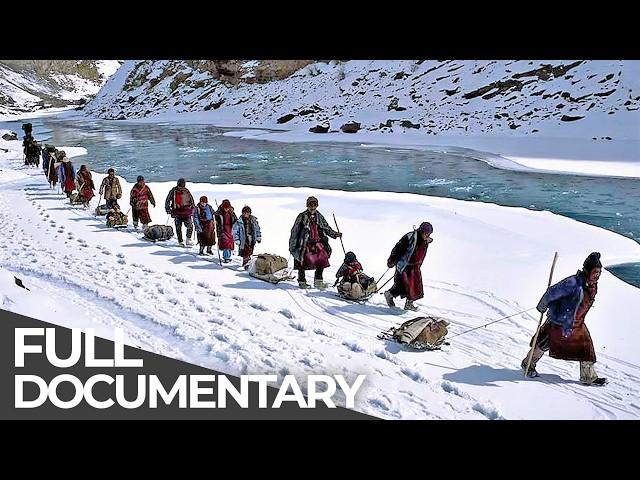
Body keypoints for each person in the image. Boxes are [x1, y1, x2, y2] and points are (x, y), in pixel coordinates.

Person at [521, 252, 607, 386]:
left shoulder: (591, 285)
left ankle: (588, 377)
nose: (598, 275)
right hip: (558, 322)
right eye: (595, 272)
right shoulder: (572, 283)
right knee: (543, 344)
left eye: (599, 273)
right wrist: (542, 306)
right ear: (587, 270)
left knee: (586, 349)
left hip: (576, 323)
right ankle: (528, 364)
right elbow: (551, 293)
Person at [288, 196, 342, 289]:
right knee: (302, 262)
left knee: (321, 261)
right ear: (307, 205)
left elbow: (326, 227)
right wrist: (292, 246)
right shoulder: (302, 216)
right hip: (305, 244)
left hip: (317, 243)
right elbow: (295, 231)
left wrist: (334, 234)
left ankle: (318, 282)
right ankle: (302, 282)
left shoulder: (319, 216)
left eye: (314, 205)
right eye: (310, 205)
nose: (312, 207)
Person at [384, 222, 434, 311]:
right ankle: (389, 295)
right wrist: (392, 260)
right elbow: (398, 248)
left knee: (415, 286)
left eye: (429, 234)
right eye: (426, 233)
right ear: (421, 231)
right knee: (402, 286)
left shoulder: (425, 241)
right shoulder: (410, 237)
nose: (427, 235)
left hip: (415, 267)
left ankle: (409, 304)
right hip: (405, 266)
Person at [165, 178, 195, 246]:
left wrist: (193, 209)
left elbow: (191, 200)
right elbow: (168, 200)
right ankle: (180, 241)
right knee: (179, 227)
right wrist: (168, 209)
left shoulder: (186, 191)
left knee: (190, 226)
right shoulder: (173, 191)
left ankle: (188, 239)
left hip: (186, 212)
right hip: (177, 213)